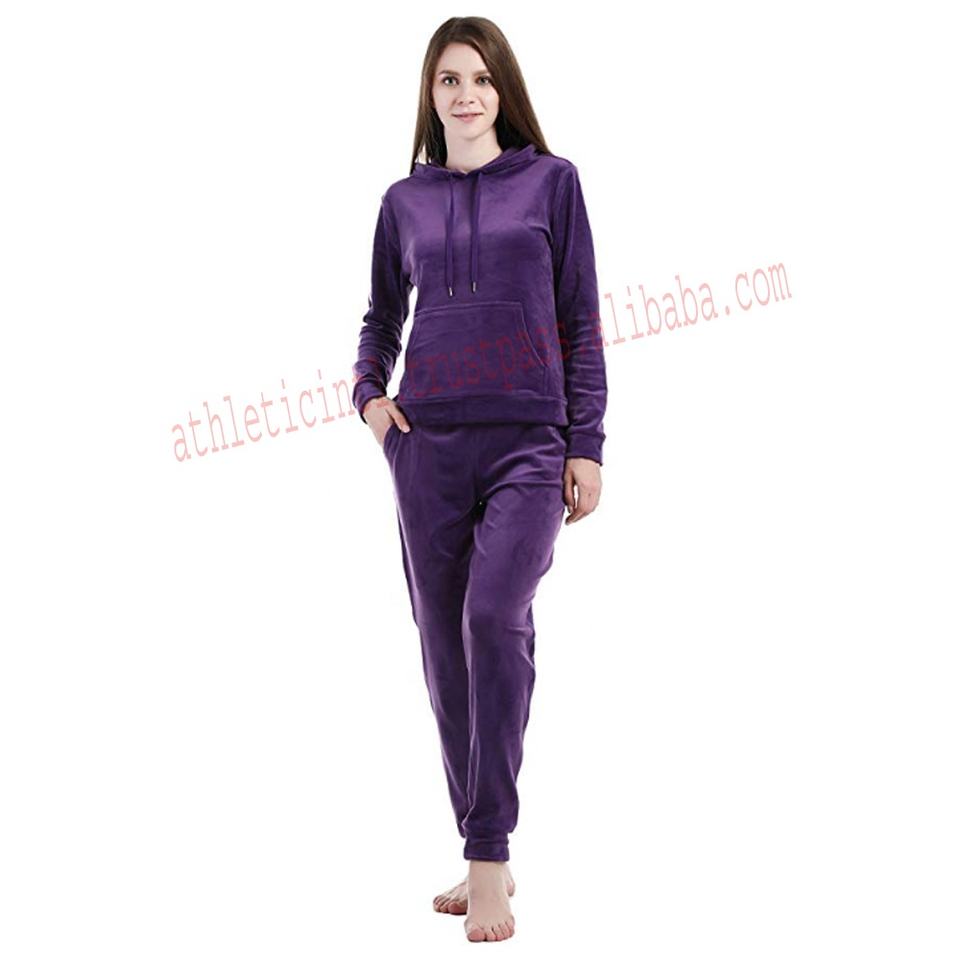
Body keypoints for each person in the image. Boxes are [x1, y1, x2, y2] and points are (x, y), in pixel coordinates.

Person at [351, 17, 607, 944]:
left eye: (482, 78)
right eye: (449, 79)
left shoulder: (551, 183)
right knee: (443, 647)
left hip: (529, 444)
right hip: (428, 448)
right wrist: (371, 401)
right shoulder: (403, 202)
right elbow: (380, 318)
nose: (467, 95)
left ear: (505, 90)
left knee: (493, 618)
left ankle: (489, 857)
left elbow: (580, 319)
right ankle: (479, 841)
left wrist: (587, 443)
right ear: (430, 94)